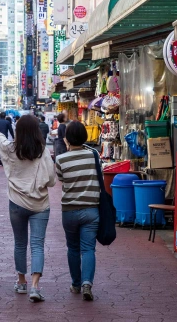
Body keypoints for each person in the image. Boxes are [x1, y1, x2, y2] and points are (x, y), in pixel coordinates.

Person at [0, 114, 57, 303]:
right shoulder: (43, 151)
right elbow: (52, 180)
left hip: (16, 202)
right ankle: (35, 287)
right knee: (37, 245)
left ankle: (21, 282)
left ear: (18, 131)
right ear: (37, 131)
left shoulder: (11, 149)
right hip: (40, 204)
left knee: (20, 243)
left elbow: (1, 140)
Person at [55, 122, 100, 301]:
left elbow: (61, 179)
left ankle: (75, 284)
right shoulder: (94, 155)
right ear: (85, 136)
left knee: (73, 248)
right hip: (91, 209)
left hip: (70, 210)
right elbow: (100, 176)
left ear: (67, 138)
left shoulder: (61, 159)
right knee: (88, 248)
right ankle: (87, 283)